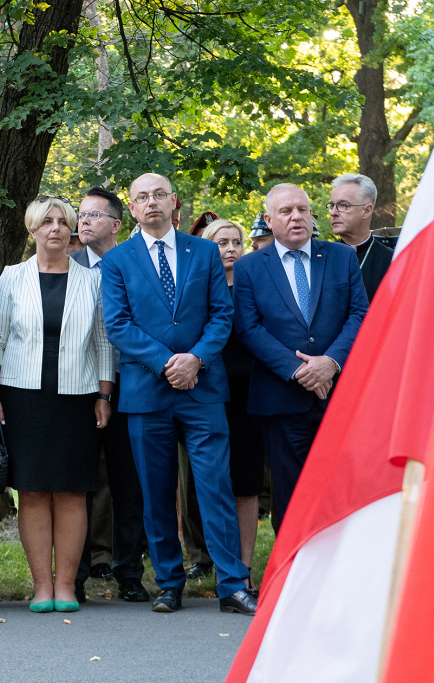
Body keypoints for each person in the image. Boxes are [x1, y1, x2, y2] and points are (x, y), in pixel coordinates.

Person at [101, 173, 256, 616]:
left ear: (175, 203)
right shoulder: (117, 261)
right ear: (130, 209)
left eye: (159, 195)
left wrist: (196, 360)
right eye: (141, 197)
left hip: (203, 388)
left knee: (215, 487)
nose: (151, 202)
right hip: (147, 391)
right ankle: (169, 581)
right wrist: (168, 362)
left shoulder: (204, 252)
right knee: (156, 490)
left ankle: (232, 584)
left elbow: (222, 315)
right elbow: (118, 325)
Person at [0, 196, 114, 614]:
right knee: (34, 491)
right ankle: (41, 586)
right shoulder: (11, 278)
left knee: (73, 492)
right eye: (47, 222)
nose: (56, 228)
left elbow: (104, 342)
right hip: (23, 396)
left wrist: (104, 393)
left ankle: (66, 585)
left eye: (63, 221)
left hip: (79, 397)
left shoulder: (92, 281)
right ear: (33, 229)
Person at [233, 183, 368, 526]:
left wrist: (330, 363)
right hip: (282, 397)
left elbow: (358, 314)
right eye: (286, 211)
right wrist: (299, 371)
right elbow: (248, 328)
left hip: (339, 395)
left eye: (302, 210)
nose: (296, 217)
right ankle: (294, 571)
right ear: (268, 219)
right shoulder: (249, 267)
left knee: (342, 489)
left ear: (312, 214)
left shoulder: (341, 256)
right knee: (290, 492)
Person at [71, 187, 150, 604]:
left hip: (130, 383)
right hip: (81, 387)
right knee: (80, 481)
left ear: (117, 224)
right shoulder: (66, 266)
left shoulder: (139, 263)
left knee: (128, 482)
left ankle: (129, 572)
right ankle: (76, 574)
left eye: (93, 215)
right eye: (80, 215)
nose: (83, 222)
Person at [200, 219, 264, 593]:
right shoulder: (197, 287)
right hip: (205, 391)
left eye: (237, 241)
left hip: (247, 396)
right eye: (221, 242)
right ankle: (205, 562)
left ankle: (244, 568)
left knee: (245, 483)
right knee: (207, 482)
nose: (231, 248)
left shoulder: (254, 286)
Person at [329, 173, 393, 301]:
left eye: (343, 205)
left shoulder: (391, 261)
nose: (333, 213)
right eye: (332, 206)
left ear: (367, 211)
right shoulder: (322, 257)